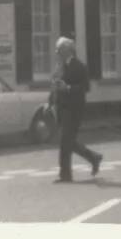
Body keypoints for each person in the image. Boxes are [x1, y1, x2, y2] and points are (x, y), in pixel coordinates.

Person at [51, 36, 103, 183]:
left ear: (68, 50)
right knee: (68, 141)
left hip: (74, 109)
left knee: (65, 141)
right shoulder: (60, 66)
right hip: (62, 108)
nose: (57, 52)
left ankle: (65, 175)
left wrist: (67, 87)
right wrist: (53, 97)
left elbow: (85, 87)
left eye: (59, 49)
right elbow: (56, 84)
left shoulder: (79, 66)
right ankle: (94, 158)